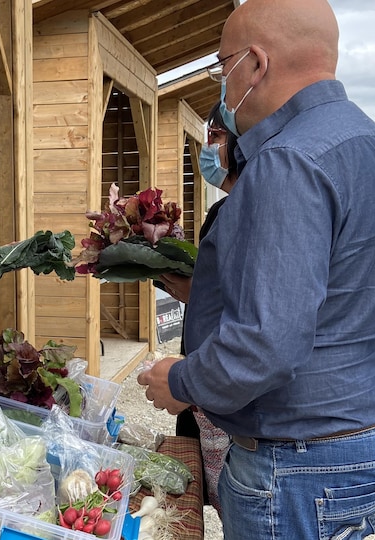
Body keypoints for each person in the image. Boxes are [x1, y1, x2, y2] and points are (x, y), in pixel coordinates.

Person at [136, 1, 375, 538]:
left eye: (223, 65)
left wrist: (184, 380)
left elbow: (269, 342)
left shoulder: (287, 160)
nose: (223, 81)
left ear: (256, 64)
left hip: (299, 459)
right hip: (372, 434)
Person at [159, 101, 238, 516]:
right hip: (204, 375)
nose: (209, 147)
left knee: (236, 500)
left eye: (217, 137)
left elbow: (253, 313)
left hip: (223, 388)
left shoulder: (250, 212)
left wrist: (182, 381)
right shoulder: (222, 211)